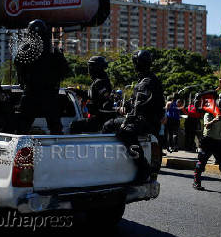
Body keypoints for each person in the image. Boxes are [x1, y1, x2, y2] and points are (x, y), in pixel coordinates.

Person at [103, 50, 165, 182]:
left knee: (124, 131)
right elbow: (137, 102)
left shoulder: (146, 82)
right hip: (146, 119)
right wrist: (125, 106)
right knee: (111, 124)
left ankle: (142, 167)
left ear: (138, 63)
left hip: (146, 121)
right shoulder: (148, 79)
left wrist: (128, 117)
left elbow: (140, 106)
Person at [15, 19, 69, 134]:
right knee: (55, 128)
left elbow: (19, 71)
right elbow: (64, 71)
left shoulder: (24, 49)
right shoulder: (54, 50)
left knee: (22, 127)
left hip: (31, 93)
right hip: (49, 93)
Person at [69, 56, 115, 133]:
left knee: (74, 125)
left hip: (99, 119)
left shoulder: (100, 82)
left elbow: (105, 101)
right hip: (98, 118)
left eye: (90, 67)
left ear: (95, 68)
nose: (89, 70)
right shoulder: (99, 81)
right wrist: (76, 90)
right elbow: (89, 94)